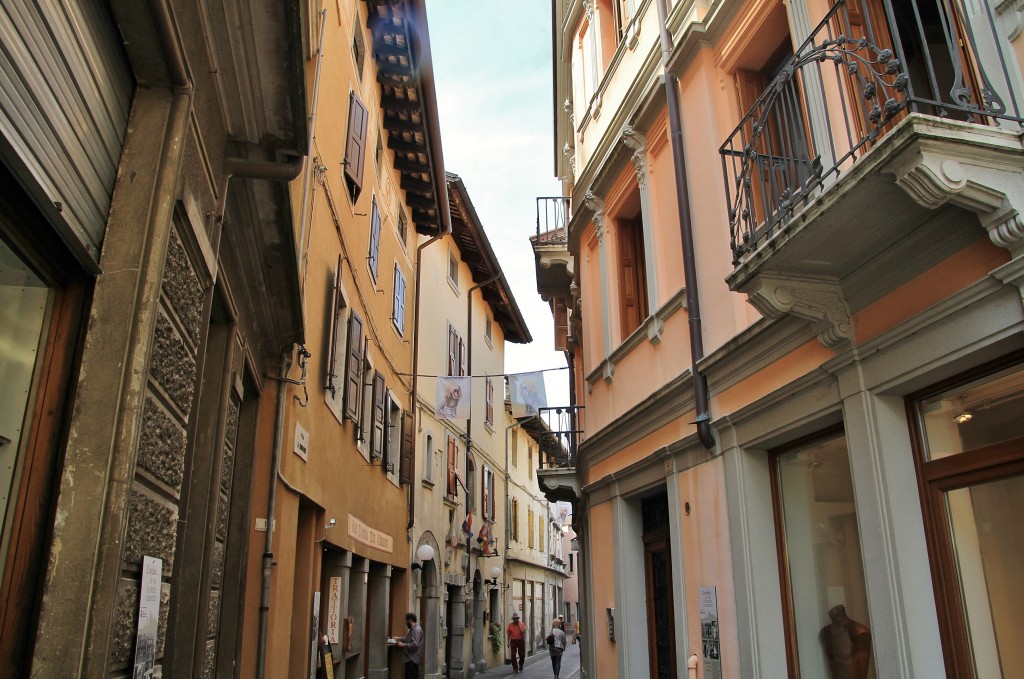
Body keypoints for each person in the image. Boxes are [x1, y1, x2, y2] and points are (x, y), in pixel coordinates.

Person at [396, 612, 423, 679]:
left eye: (406, 620)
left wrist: (403, 644)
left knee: (411, 677)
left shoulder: (416, 630)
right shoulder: (413, 629)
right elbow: (409, 639)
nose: (406, 622)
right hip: (411, 658)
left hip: (412, 659)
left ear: (410, 620)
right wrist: (398, 638)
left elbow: (415, 645)